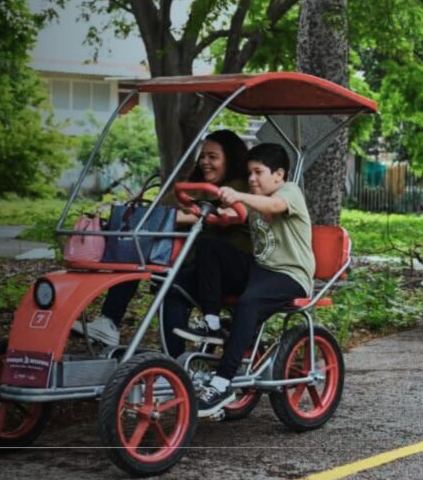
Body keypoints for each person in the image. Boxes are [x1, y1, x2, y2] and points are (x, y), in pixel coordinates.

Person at [72, 129, 251, 356]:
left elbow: (223, 214)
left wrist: (172, 218)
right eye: (202, 156)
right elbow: (159, 210)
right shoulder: (195, 185)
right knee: (136, 252)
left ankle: (171, 359)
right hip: (188, 259)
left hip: (224, 266)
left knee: (172, 284)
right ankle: (110, 322)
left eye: (213, 157)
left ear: (230, 159)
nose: (205, 162)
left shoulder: (239, 187)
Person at [175, 143, 315, 417]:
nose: (251, 179)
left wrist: (238, 194)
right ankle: (212, 322)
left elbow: (273, 206)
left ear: (278, 174)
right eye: (249, 173)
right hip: (261, 269)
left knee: (248, 303)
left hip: (291, 274)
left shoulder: (289, 192)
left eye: (258, 172)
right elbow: (224, 216)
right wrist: (199, 212)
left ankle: (223, 382)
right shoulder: (252, 199)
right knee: (209, 245)